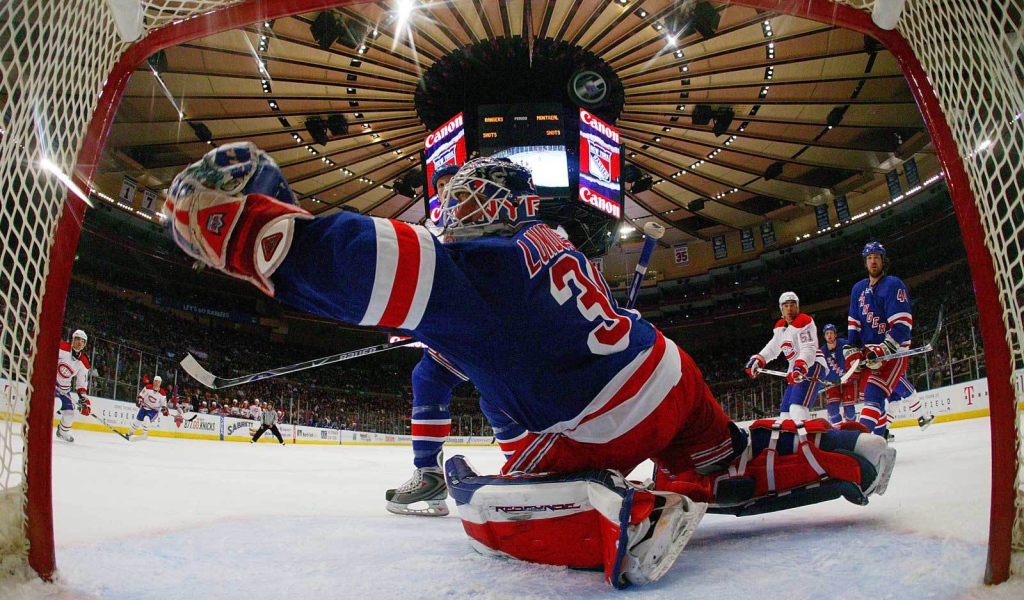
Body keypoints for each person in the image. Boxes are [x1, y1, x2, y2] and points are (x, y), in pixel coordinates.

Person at [165, 143, 895, 588]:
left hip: (590, 422)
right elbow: (518, 333)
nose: (450, 211)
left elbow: (368, 261)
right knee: (714, 452)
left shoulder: (471, 267)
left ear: (483, 205)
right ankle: (833, 452)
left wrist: (259, 235)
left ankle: (628, 517)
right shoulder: (552, 243)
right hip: (671, 377)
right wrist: (441, 333)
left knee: (486, 505)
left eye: (460, 200)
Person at [844, 242, 913, 437]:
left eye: (877, 257)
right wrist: (852, 350)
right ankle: (880, 439)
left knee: (874, 393)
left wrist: (884, 349)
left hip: (895, 351)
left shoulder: (893, 284)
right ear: (865, 262)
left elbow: (902, 325)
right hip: (871, 354)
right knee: (871, 399)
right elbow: (854, 324)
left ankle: (860, 441)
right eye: (869, 258)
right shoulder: (858, 289)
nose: (873, 261)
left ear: (883, 261)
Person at [744, 292, 828, 421]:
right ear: (781, 308)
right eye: (786, 305)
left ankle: (806, 439)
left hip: (812, 364)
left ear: (797, 307)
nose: (789, 308)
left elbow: (808, 348)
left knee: (797, 408)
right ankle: (793, 440)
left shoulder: (804, 321)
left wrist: (801, 365)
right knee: (785, 414)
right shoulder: (780, 327)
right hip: (796, 369)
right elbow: (773, 348)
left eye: (792, 305)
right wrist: (759, 360)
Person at [55, 329, 91, 443]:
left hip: (64, 390)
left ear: (85, 344)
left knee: (70, 413)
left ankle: (62, 432)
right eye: (77, 339)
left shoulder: (84, 362)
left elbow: (81, 383)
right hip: (53, 384)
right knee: (56, 403)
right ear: (72, 340)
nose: (80, 342)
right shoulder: (62, 348)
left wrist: (84, 399)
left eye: (83, 341)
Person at [820, 324, 858, 426]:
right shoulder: (822, 352)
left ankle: (851, 432)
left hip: (848, 380)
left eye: (831, 333)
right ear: (824, 336)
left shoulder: (845, 344)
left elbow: (856, 353)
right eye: (827, 333)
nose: (829, 335)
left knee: (850, 412)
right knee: (832, 411)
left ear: (835, 334)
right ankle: (840, 432)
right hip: (832, 383)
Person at [128, 375, 168, 440]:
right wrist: (139, 401)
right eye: (155, 381)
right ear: (153, 381)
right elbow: (141, 396)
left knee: (147, 419)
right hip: (144, 407)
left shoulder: (162, 393)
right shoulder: (147, 387)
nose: (156, 383)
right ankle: (130, 433)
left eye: (158, 382)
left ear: (160, 383)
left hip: (153, 411)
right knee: (138, 421)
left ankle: (144, 434)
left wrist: (165, 409)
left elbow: (164, 404)